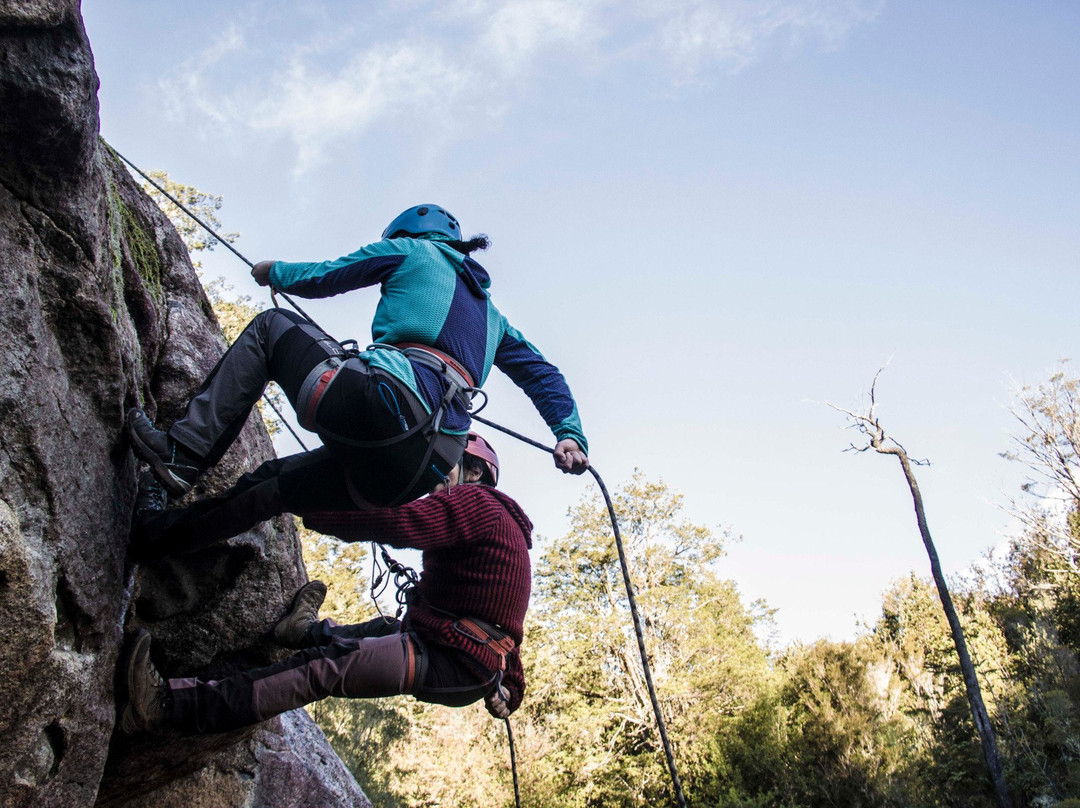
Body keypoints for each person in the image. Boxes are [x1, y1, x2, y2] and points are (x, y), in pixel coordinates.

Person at [126, 204, 586, 556]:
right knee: (273, 486)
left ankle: (179, 456)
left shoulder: (412, 249)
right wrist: (569, 435)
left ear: (407, 234)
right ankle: (152, 542)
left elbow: (331, 275)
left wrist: (275, 272)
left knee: (272, 328)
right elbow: (544, 375)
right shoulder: (495, 319)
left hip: (387, 401)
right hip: (421, 467)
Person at [119, 432, 532, 734]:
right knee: (380, 631)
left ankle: (163, 707)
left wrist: (315, 503)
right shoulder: (498, 527)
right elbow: (505, 620)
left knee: (323, 671)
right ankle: (299, 630)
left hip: (454, 660)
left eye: (445, 460)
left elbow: (402, 521)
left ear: (474, 471)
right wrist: (511, 686)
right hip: (458, 652)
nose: (434, 470)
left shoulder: (478, 503)